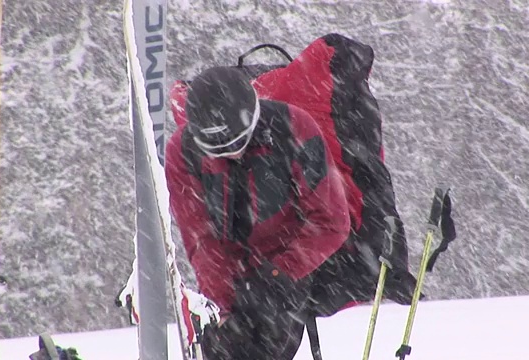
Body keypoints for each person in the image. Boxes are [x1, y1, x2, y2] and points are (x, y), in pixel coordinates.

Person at [165, 34, 420, 360]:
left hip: (298, 256)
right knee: (224, 344)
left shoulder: (295, 128)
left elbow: (331, 221)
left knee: (269, 329)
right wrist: (222, 306)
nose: (233, 155)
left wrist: (279, 272)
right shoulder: (182, 153)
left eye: (238, 143)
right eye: (220, 151)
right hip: (237, 264)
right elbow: (202, 238)